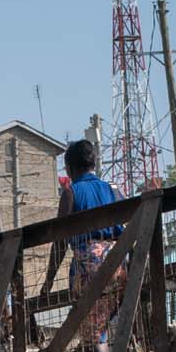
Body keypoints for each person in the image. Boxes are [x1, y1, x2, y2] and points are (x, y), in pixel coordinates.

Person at [59, 137, 122, 337]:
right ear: (93, 164)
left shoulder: (71, 193)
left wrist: (48, 283)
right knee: (111, 326)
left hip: (89, 268)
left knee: (94, 336)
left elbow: (59, 240)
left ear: (69, 168)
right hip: (119, 264)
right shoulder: (113, 189)